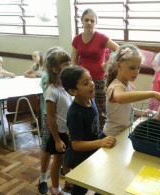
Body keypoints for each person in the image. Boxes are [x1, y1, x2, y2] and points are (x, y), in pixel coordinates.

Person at [60, 65, 116, 194]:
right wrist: (100, 142)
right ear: (73, 91)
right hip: (79, 159)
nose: (92, 84)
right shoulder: (75, 113)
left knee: (92, 181)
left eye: (90, 79)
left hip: (90, 154)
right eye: (86, 83)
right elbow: (76, 145)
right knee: (80, 188)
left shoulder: (91, 99)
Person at [99, 44, 160, 138]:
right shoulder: (115, 86)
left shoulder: (129, 85)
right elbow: (120, 98)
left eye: (138, 68)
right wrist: (153, 94)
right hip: (109, 137)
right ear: (118, 66)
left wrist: (142, 113)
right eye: (132, 68)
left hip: (122, 135)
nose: (137, 71)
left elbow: (125, 110)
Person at [71, 8, 119, 132]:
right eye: (86, 20)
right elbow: (74, 59)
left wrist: (107, 64)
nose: (89, 22)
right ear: (81, 21)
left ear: (96, 23)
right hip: (81, 81)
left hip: (98, 80)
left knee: (101, 111)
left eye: (92, 20)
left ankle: (101, 137)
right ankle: (89, 134)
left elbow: (119, 50)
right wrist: (76, 73)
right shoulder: (76, 39)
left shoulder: (101, 37)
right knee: (84, 108)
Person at [38, 47, 71, 195]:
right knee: (57, 161)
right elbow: (50, 117)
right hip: (57, 133)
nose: (71, 66)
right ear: (56, 69)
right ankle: (55, 189)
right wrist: (57, 139)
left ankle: (65, 182)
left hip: (66, 130)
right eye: (66, 64)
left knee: (63, 158)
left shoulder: (66, 86)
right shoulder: (52, 90)